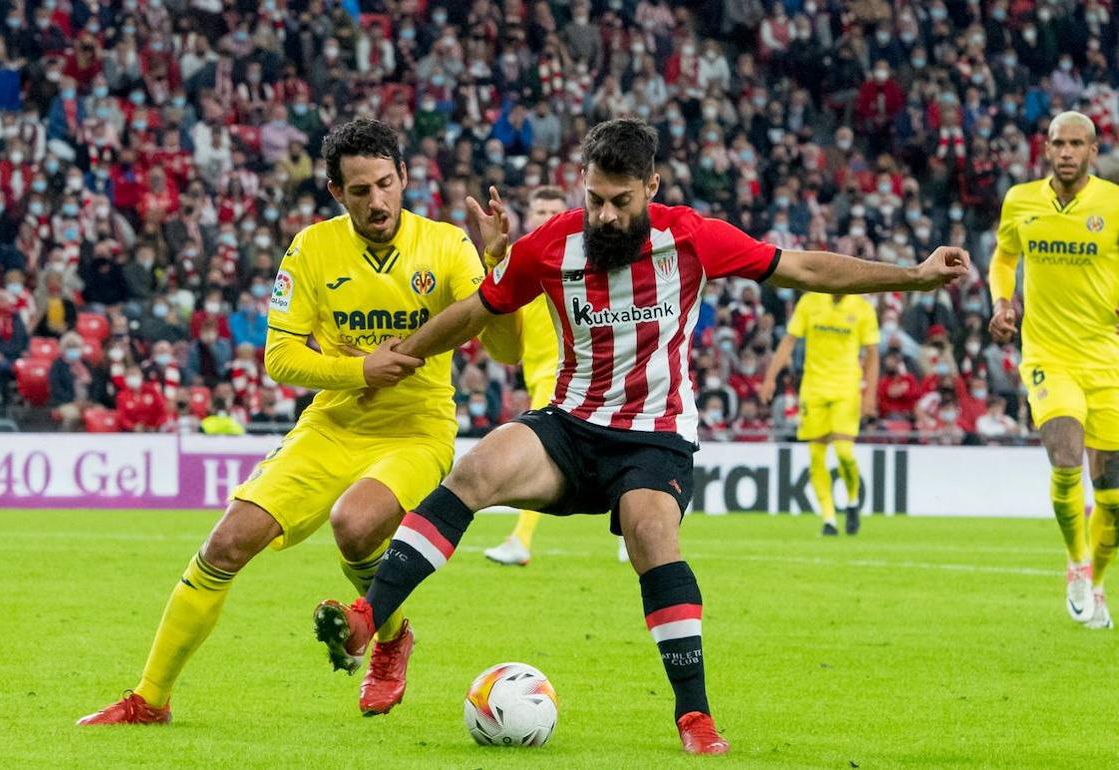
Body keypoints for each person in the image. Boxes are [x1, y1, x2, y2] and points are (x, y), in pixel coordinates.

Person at [310, 119, 969, 756]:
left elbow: (806, 270)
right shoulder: (551, 244)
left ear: (651, 188)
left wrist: (911, 275)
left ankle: (695, 715)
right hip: (569, 425)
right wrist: (405, 354)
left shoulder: (692, 238)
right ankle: (370, 619)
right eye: (594, 198)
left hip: (654, 438)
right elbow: (476, 311)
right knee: (478, 469)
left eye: (620, 202)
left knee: (652, 533)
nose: (605, 216)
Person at [78, 119, 520, 725]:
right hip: (331, 426)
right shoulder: (312, 248)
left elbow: (506, 351)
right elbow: (279, 356)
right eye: (360, 190)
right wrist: (361, 371)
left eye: (386, 184)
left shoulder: (446, 245)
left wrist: (500, 273)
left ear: (405, 179)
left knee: (355, 525)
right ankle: (150, 700)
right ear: (337, 193)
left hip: (417, 429)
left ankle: (389, 639)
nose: (377, 201)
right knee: (224, 543)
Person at [988, 111, 1119, 630]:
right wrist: (1003, 303)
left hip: (1106, 358)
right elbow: (1003, 258)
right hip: (1047, 356)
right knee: (1066, 462)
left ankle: (1100, 582)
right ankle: (1077, 564)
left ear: (1093, 150)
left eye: (1076, 144)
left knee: (1111, 495)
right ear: (1046, 148)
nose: (1066, 152)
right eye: (1057, 142)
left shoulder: (1113, 204)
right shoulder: (1021, 200)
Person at [482, 187, 570, 567]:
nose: (547, 215)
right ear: (528, 215)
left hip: (567, 372)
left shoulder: (577, 256)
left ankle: (520, 539)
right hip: (536, 372)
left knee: (536, 454)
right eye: (540, 209)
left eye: (555, 209)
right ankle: (637, 526)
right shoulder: (519, 259)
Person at [758, 292, 879, 535]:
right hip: (813, 389)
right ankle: (829, 519)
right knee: (817, 456)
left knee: (845, 453)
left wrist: (869, 395)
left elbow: (873, 354)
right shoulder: (810, 302)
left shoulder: (862, 308)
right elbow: (789, 341)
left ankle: (853, 500)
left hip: (846, 388)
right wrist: (770, 377)